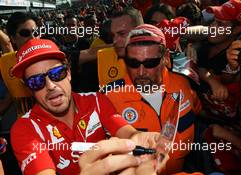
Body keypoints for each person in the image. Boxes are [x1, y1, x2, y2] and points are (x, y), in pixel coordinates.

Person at [10, 38, 159, 175]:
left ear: (68, 73)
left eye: (56, 74)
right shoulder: (25, 128)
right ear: (30, 89)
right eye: (36, 82)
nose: (50, 86)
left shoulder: (96, 101)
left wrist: (140, 139)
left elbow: (127, 133)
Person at [106, 24, 201, 174]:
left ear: (165, 59)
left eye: (150, 63)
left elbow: (201, 111)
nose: (141, 72)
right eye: (133, 63)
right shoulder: (108, 97)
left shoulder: (183, 84)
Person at [97, 6, 144, 87]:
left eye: (122, 34)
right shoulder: (104, 57)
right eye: (113, 35)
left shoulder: (160, 58)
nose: (115, 41)